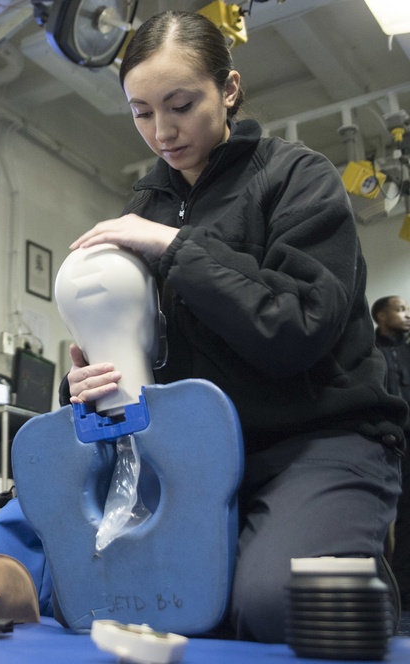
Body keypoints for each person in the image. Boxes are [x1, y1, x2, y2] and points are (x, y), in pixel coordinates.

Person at [60, 11, 408, 643]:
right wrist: (91, 378)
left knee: (279, 608)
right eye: (141, 112)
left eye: (182, 104)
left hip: (316, 442)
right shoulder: (142, 210)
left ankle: (348, 559)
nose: (163, 131)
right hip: (197, 453)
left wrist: (175, 248)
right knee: (115, 600)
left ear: (229, 89)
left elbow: (298, 329)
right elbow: (146, 358)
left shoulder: (297, 177)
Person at [373, 295, 410, 608]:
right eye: (400, 310)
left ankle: (406, 589)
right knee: (379, 513)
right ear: (381, 316)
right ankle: (380, 589)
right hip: (383, 441)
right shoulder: (369, 351)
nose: (407, 315)